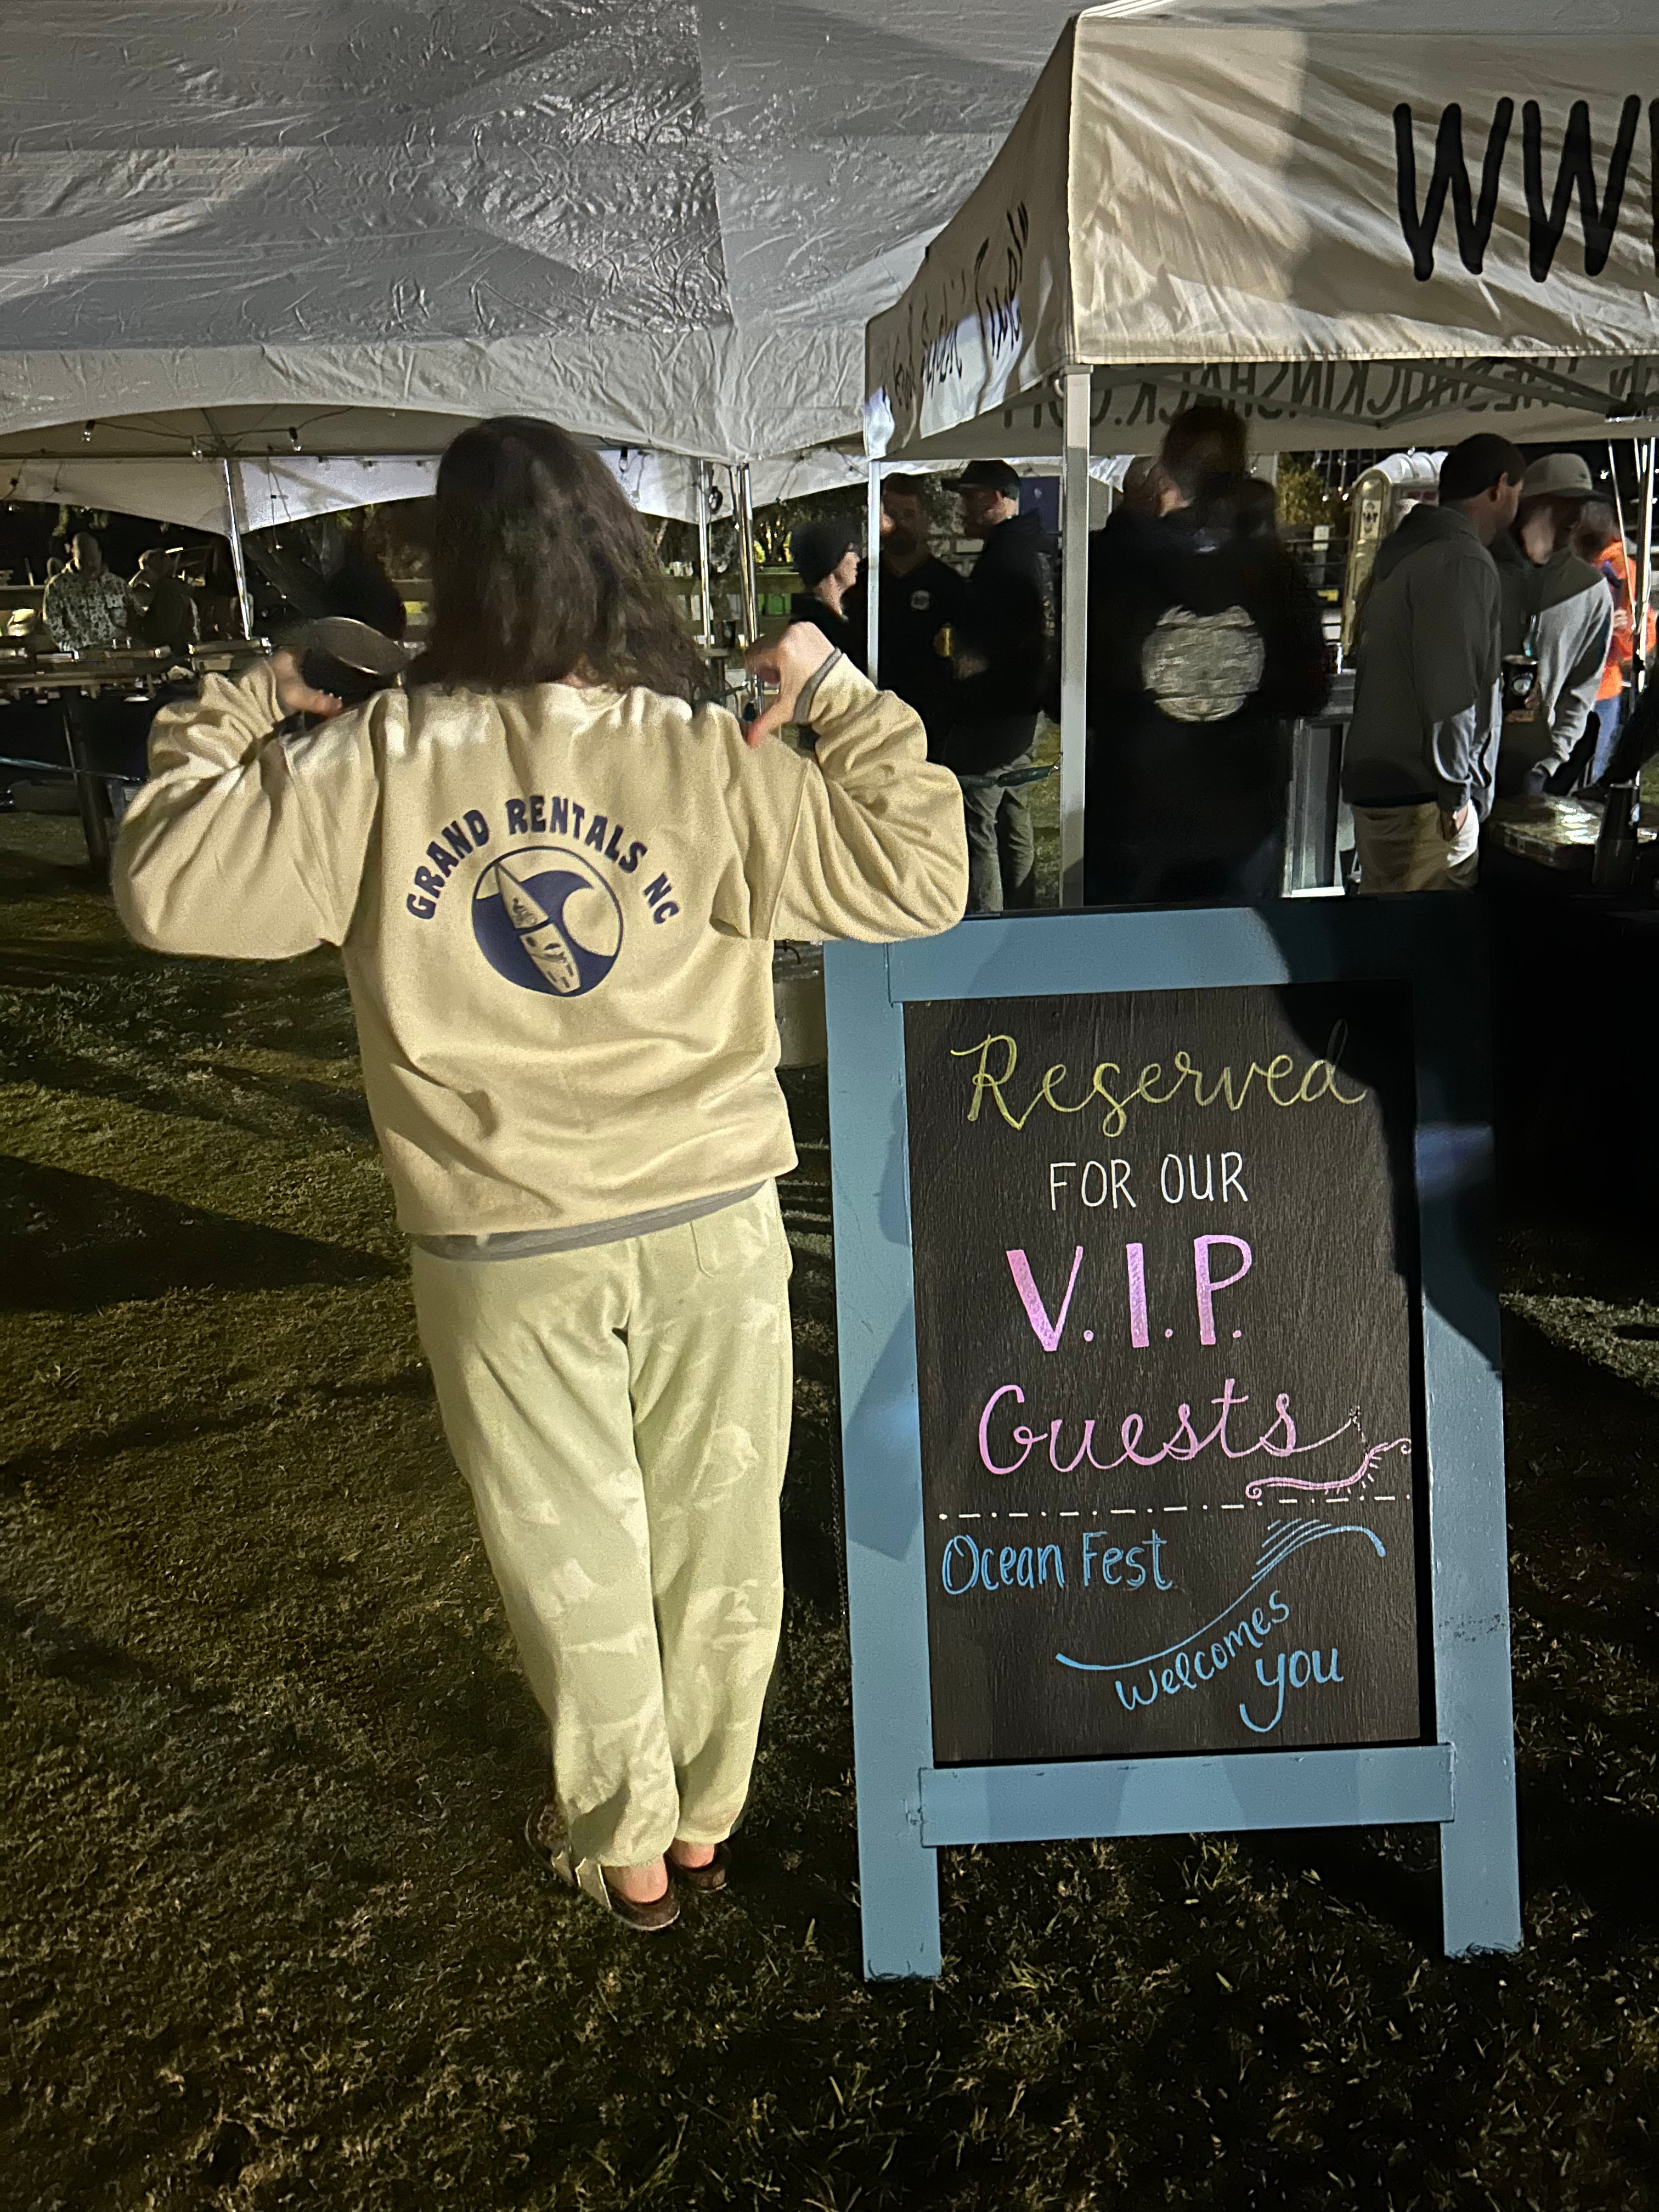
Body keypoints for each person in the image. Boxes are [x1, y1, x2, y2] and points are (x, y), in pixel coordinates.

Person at [111, 416, 966, 1934]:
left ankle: (630, 1843)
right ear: (619, 556)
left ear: (452, 572)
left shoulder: (379, 755)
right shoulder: (705, 747)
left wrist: (245, 694)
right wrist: (832, 685)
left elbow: (168, 881)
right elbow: (923, 876)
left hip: (503, 1240)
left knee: (566, 1547)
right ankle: (702, 1812)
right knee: (718, 1532)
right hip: (709, 1210)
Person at [1083, 404, 1328, 904]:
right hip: (1241, 819)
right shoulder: (1275, 571)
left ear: (1167, 467)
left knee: (1130, 974)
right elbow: (1310, 690)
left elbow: (1078, 689)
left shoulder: (1121, 566)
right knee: (1235, 971)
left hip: (1136, 816)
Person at [1342, 433, 1526, 893]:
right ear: (1500, 488)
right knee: (1431, 940)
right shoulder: (1461, 560)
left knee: (1388, 933)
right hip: (1423, 789)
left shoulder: (1405, 550)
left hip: (1383, 778)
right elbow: (1453, 688)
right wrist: (1456, 791)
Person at [939, 459, 1053, 912]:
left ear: (993, 499)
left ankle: (988, 919)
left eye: (968, 499)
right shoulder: (1030, 547)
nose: (961, 510)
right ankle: (1023, 911)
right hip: (1025, 709)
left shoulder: (1005, 558)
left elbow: (996, 642)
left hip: (997, 713)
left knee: (977, 820)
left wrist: (962, 659)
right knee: (1013, 812)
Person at [1492, 453, 1613, 798]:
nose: (1575, 518)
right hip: (1467, 760)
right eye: (1564, 504)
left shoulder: (1588, 590)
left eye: (1582, 506)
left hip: (1532, 769)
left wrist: (1550, 761)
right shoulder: (1485, 572)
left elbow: (1582, 689)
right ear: (1532, 504)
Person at [844, 474, 968, 756]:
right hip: (869, 722)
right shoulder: (859, 582)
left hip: (930, 726)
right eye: (891, 514)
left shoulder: (948, 586)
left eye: (909, 515)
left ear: (925, 519)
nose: (899, 524)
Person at [1571, 498, 1653, 787]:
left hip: (1599, 687)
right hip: (1595, 686)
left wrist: (1622, 630)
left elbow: (1642, 638)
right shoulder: (1616, 568)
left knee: (1586, 773)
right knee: (1589, 772)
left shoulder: (1622, 570)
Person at [787, 518, 864, 668]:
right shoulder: (814, 628)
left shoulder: (840, 616)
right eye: (851, 550)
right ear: (833, 559)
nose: (857, 559)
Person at [42, 532, 133, 652]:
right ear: (73, 555)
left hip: (118, 654)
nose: (90, 564)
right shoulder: (58, 586)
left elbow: (135, 617)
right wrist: (75, 651)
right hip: (81, 658)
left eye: (93, 558)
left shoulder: (117, 584)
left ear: (100, 554)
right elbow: (53, 627)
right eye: (83, 559)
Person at [129, 548, 200, 665]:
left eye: (144, 570)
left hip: (173, 653)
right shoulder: (177, 588)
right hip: (182, 647)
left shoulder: (167, 591)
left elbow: (165, 629)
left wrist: (137, 626)